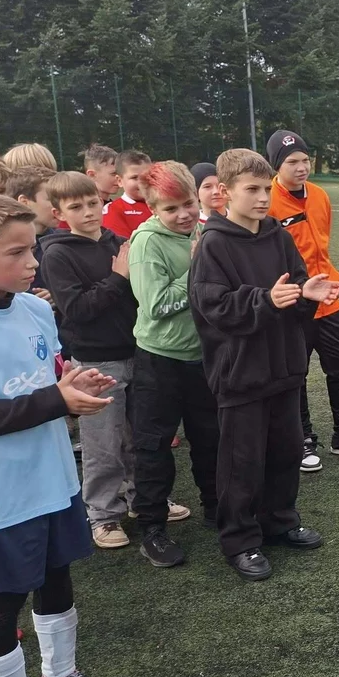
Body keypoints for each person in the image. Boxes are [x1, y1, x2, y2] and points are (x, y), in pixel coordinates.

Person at [0, 192, 116, 677]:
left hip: (54, 479)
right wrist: (55, 401)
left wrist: (75, 383)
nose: (32, 262)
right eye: (16, 252)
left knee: (56, 580)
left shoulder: (37, 310)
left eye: (32, 248)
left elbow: (52, 373)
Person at [189, 148, 336, 581]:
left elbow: (294, 286)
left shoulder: (278, 235)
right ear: (224, 192)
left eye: (264, 189)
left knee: (286, 452)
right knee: (242, 462)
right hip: (241, 375)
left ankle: (280, 522)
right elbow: (213, 306)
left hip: (284, 369)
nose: (260, 198)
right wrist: (265, 300)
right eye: (250, 189)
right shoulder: (214, 244)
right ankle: (239, 539)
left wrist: (306, 294)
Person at [265, 130, 339, 472]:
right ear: (277, 166)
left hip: (328, 297)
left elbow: (322, 243)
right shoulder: (268, 202)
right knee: (296, 372)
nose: (301, 167)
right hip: (294, 300)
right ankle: (301, 440)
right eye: (292, 162)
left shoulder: (319, 195)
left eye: (305, 160)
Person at [40, 172, 145, 550]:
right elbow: (78, 310)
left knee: (141, 437)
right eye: (76, 207)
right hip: (96, 363)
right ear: (58, 213)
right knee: (103, 444)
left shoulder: (118, 243)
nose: (87, 212)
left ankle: (143, 499)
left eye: (92, 203)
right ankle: (102, 514)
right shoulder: (57, 253)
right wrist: (118, 278)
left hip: (137, 352)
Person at [128, 162, 220, 569]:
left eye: (188, 204)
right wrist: (197, 268)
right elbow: (156, 305)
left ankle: (217, 508)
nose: (183, 214)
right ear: (153, 209)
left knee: (211, 437)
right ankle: (152, 530)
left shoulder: (201, 230)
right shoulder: (146, 242)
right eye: (170, 209)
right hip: (159, 361)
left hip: (202, 357)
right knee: (154, 447)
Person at [4, 165, 60, 301]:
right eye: (52, 199)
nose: (60, 204)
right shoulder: (2, 244)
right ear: (24, 202)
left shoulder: (63, 239)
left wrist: (61, 295)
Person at [101, 150, 153, 240]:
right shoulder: (114, 209)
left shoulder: (166, 203)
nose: (142, 182)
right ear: (119, 181)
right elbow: (121, 244)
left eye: (147, 176)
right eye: (134, 177)